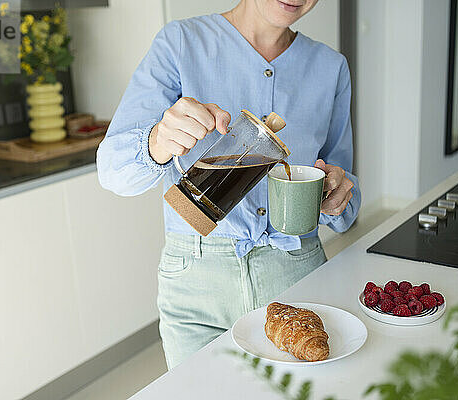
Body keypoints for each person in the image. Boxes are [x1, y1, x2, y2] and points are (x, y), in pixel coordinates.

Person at [96, 0, 361, 369]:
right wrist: (157, 141)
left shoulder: (330, 67)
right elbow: (112, 171)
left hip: (296, 275)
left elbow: (346, 198)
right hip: (196, 284)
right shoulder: (180, 44)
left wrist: (337, 197)